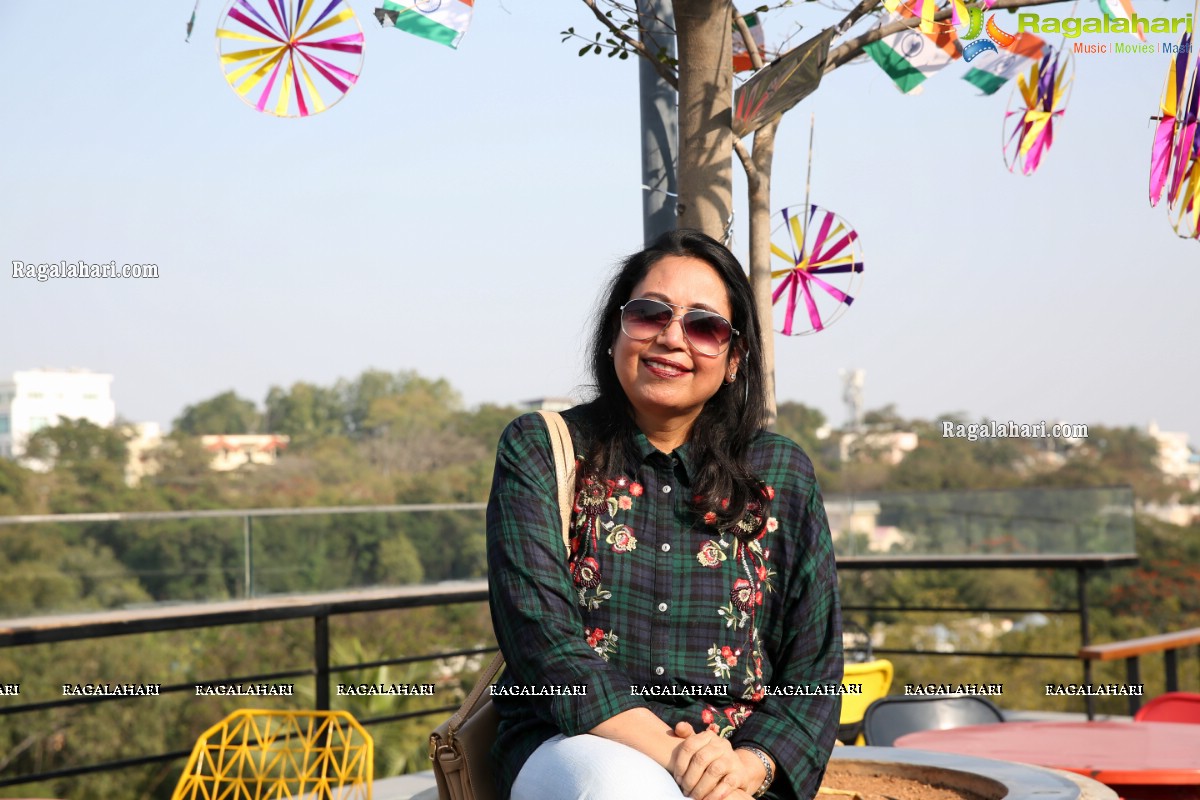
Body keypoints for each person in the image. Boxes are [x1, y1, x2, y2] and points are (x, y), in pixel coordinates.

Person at [486, 229, 842, 800]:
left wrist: (751, 764)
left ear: (734, 359)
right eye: (651, 315)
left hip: (732, 764)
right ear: (615, 333)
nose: (672, 339)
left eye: (704, 326)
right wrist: (678, 757)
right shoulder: (543, 450)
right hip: (574, 746)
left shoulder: (780, 474)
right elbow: (543, 642)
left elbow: (815, 669)